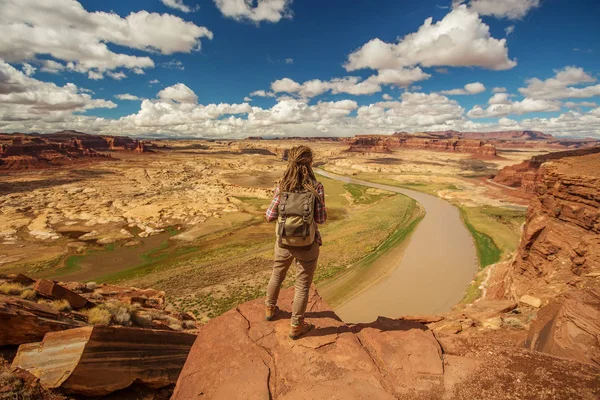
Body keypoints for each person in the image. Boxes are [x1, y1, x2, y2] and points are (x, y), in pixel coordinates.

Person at [264, 145, 327, 339]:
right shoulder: (316, 187)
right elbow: (321, 219)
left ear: (290, 162)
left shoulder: (282, 185)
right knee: (302, 286)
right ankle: (296, 326)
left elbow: (269, 216)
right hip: (307, 245)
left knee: (277, 275)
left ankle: (270, 309)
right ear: (309, 163)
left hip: (284, 242)